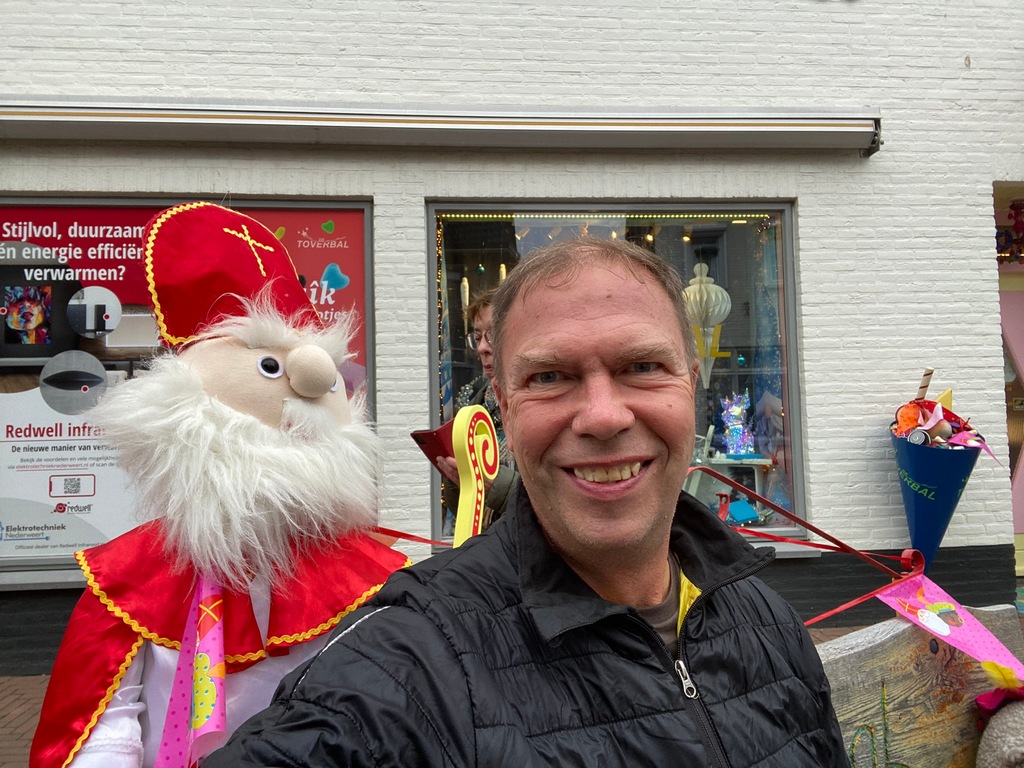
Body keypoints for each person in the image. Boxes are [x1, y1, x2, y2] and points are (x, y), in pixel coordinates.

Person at [206, 235, 846, 767]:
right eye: (550, 377)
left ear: (692, 387)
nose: (602, 416)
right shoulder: (415, 660)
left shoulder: (766, 619)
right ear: (506, 411)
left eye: (643, 367)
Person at [30, 203, 408, 768]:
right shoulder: (135, 577)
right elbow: (108, 722)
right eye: (270, 367)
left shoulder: (365, 577)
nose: (314, 380)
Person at [437, 287, 519, 525]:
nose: (482, 348)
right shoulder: (474, 406)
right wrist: (456, 477)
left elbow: (555, 498)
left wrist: (496, 486)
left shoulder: (540, 405)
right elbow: (462, 508)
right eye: (477, 337)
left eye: (493, 335)